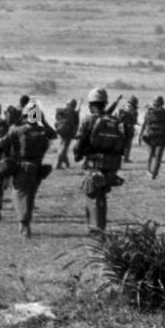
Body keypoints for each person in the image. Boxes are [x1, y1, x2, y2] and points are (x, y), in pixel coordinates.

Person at [0, 102, 52, 238]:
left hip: (21, 168)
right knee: (30, 196)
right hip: (37, 169)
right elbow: (50, 139)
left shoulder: (16, 131)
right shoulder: (43, 133)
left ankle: (24, 225)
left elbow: (2, 145)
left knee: (19, 195)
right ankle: (25, 224)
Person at [73, 87, 126, 233]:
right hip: (111, 164)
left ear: (91, 104)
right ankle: (97, 226)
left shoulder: (88, 120)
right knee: (101, 195)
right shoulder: (114, 120)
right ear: (104, 103)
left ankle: (97, 229)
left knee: (93, 195)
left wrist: (77, 155)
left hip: (93, 163)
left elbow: (78, 144)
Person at [140, 96, 165, 179]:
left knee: (153, 156)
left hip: (154, 137)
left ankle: (152, 173)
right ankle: (151, 173)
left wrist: (141, 134)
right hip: (156, 137)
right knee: (155, 156)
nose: (157, 106)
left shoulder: (151, 112)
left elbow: (144, 124)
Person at [54, 99, 79, 169]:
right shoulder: (74, 112)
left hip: (61, 130)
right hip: (69, 132)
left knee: (62, 146)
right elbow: (76, 124)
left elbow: (57, 119)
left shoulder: (62, 110)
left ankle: (67, 164)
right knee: (64, 148)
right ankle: (57, 164)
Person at [118, 95, 140, 162]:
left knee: (120, 144)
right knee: (128, 144)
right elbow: (134, 120)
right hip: (128, 128)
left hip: (121, 128)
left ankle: (120, 158)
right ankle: (126, 158)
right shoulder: (134, 110)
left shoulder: (123, 108)